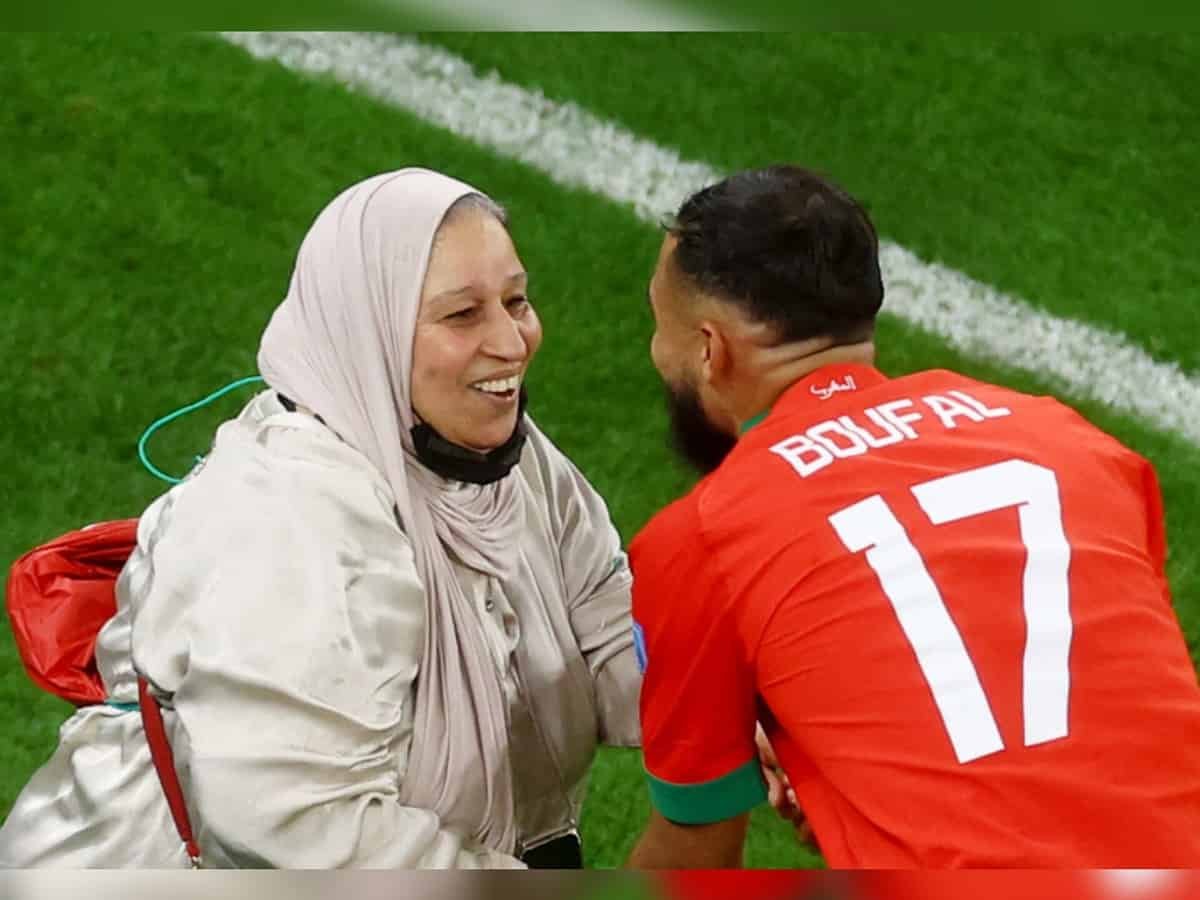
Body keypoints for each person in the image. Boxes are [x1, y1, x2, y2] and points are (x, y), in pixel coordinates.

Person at [0, 168, 641, 868]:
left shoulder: (508, 463)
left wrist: (733, 717)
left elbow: (608, 628)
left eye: (515, 301)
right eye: (462, 315)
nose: (512, 341)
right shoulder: (292, 521)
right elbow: (295, 821)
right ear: (367, 331)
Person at [625, 165, 1200, 868]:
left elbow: (694, 860)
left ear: (710, 350)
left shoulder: (701, 539)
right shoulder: (1075, 446)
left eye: (662, 330)